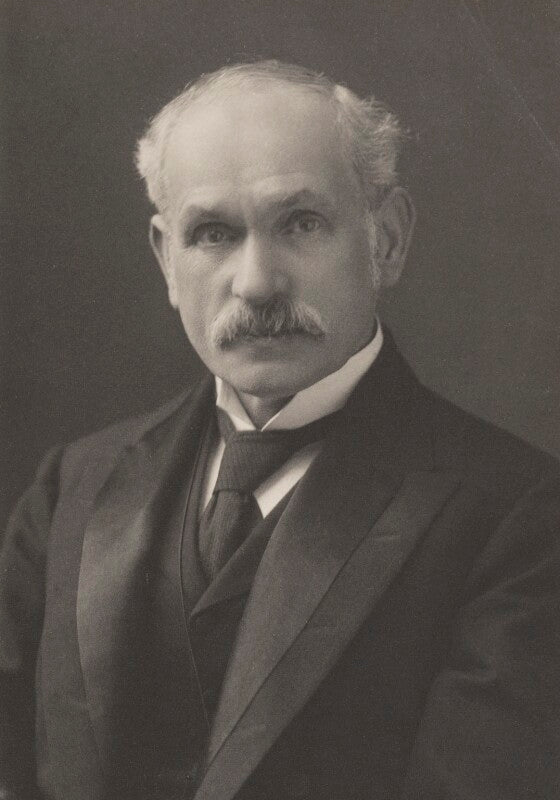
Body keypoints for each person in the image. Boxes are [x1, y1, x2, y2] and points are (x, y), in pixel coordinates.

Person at [1, 60, 559, 800]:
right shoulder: (71, 487)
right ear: (166, 260)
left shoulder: (519, 516)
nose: (257, 282)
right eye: (212, 234)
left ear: (387, 240)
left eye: (300, 224)